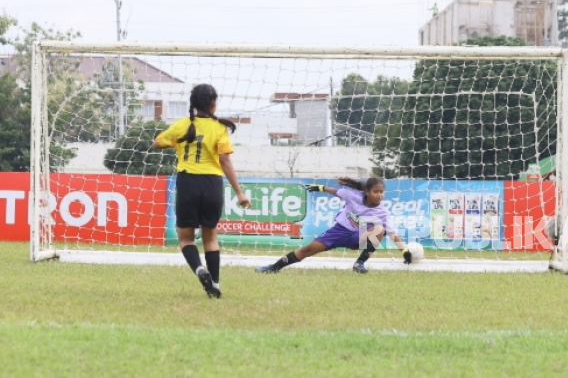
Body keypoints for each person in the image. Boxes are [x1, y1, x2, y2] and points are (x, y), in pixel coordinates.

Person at [153, 84, 251, 299]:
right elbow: (225, 160)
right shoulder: (219, 128)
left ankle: (199, 270)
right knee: (210, 237)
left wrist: (177, 144)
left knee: (186, 239)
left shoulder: (181, 125)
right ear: (213, 104)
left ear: (193, 104)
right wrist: (240, 193)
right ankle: (214, 285)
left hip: (188, 182)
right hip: (211, 184)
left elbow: (157, 143)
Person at [255, 177, 412, 274]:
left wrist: (404, 251)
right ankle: (274, 268)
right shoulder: (352, 196)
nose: (379, 195)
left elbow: (392, 234)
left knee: (380, 229)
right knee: (306, 250)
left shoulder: (382, 212)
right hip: (338, 232)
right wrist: (321, 188)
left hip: (357, 238)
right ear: (367, 192)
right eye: (376, 191)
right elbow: (336, 191)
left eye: (381, 192)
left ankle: (360, 263)